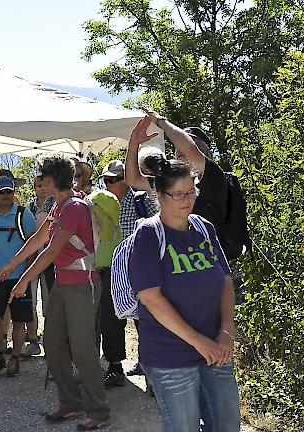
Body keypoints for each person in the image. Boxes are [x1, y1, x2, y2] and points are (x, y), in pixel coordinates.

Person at [0, 153, 111, 431]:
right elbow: (39, 238)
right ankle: (71, 400)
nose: (41, 183)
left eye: (42, 178)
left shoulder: (72, 207)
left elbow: (51, 250)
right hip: (63, 284)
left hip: (82, 284)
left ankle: (98, 410)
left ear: (50, 179)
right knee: (53, 342)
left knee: (83, 349)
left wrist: (23, 279)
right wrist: (12, 264)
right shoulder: (59, 206)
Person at [127, 156, 240, 431]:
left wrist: (226, 331)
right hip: (171, 356)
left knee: (227, 426)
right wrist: (199, 342)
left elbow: (225, 281)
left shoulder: (204, 228)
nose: (185, 200)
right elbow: (151, 298)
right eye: (177, 194)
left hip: (217, 348)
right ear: (159, 195)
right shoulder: (148, 235)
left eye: (190, 192)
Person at [125, 112, 229, 252]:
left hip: (211, 259)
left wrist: (160, 121)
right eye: (177, 143)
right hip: (181, 260)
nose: (180, 147)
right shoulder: (171, 181)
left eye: (185, 141)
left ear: (205, 151)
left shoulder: (213, 174)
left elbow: (190, 148)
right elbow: (132, 179)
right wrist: (134, 143)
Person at [101, 159, 159, 381]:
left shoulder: (142, 200)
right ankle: (116, 366)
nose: (108, 184)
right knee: (112, 319)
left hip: (140, 267)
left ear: (125, 179)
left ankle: (150, 368)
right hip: (113, 269)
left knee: (144, 318)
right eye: (105, 180)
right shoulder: (101, 203)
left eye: (113, 180)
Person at [0, 176, 36, 378]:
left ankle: (14, 357)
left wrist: (27, 272)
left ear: (14, 193)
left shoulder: (24, 214)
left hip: (18, 276)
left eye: (9, 191)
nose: (5, 196)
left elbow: (33, 243)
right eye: (1, 192)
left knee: (19, 320)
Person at [22, 175, 53, 356]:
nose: (42, 188)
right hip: (32, 260)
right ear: (34, 188)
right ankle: (33, 339)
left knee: (49, 302)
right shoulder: (28, 209)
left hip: (51, 261)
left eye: (45, 185)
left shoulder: (56, 205)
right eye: (39, 185)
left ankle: (49, 338)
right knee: (30, 301)